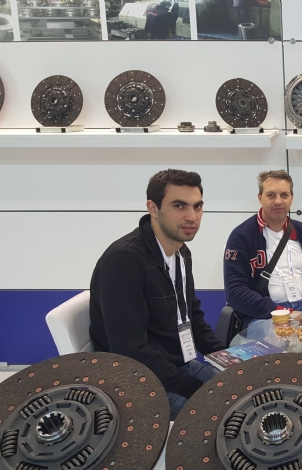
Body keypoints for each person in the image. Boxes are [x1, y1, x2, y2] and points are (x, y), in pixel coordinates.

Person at [89, 169, 225, 419]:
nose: (191, 216)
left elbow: (192, 317)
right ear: (153, 208)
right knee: (225, 414)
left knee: (245, 391)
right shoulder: (124, 261)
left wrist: (226, 358)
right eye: (179, 206)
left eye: (197, 206)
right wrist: (196, 390)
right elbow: (130, 350)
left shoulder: (181, 253)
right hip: (136, 380)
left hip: (176, 366)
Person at [224, 170, 302, 325]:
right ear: (260, 198)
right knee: (276, 338)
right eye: (271, 195)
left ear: (291, 198)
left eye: (284, 195)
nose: (278, 201)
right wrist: (285, 313)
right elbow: (235, 292)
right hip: (265, 313)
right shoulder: (241, 236)